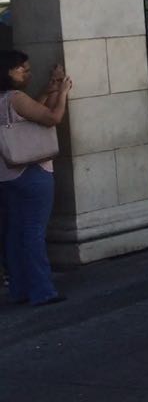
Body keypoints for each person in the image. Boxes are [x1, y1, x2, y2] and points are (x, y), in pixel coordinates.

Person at [0, 51, 71, 306]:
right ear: (8, 71)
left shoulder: (6, 100)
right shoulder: (16, 97)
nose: (27, 73)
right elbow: (52, 118)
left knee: (14, 233)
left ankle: (19, 288)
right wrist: (63, 91)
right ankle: (42, 290)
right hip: (32, 171)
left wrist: (47, 90)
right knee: (33, 233)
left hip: (7, 175)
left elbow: (31, 114)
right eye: (22, 69)